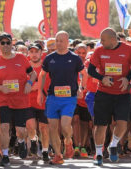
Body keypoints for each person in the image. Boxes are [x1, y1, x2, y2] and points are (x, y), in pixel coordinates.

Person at [87, 28, 131, 165]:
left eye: (103, 40)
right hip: (104, 93)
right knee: (101, 125)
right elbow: (90, 69)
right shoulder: (99, 51)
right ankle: (98, 154)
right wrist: (101, 77)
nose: (101, 42)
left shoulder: (127, 49)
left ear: (113, 39)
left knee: (122, 123)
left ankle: (113, 144)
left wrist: (128, 78)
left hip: (122, 94)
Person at [0, 32, 37, 166]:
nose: (5, 45)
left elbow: (33, 73)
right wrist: (1, 88)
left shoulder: (21, 58)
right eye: (2, 43)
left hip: (21, 100)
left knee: (21, 131)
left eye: (8, 42)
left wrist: (29, 83)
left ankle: (21, 142)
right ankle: (5, 156)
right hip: (5, 101)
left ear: (11, 43)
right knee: (4, 127)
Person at [37, 31, 84, 165]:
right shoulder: (49, 58)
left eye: (61, 40)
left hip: (69, 97)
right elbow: (42, 75)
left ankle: (68, 140)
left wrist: (82, 88)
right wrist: (40, 92)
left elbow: (83, 74)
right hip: (53, 97)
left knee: (65, 125)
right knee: (52, 127)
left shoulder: (75, 58)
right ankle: (58, 155)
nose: (58, 43)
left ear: (67, 42)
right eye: (57, 40)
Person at [26, 43, 50, 161]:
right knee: (31, 127)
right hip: (28, 102)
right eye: (31, 52)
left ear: (41, 52)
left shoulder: (47, 66)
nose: (34, 54)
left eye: (37, 52)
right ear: (28, 53)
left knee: (44, 128)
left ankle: (45, 151)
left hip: (44, 101)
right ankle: (33, 140)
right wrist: (32, 87)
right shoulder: (24, 66)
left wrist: (39, 86)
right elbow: (21, 86)